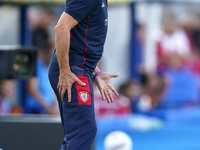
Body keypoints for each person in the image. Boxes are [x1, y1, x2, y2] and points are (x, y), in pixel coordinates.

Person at [48, 0, 119, 150]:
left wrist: (96, 72)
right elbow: (61, 28)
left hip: (79, 69)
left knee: (79, 133)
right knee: (84, 131)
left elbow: (80, 40)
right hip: (73, 71)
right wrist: (65, 70)